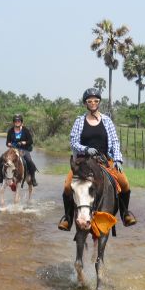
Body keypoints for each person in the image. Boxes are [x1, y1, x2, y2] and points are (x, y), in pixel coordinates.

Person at [58, 88, 136, 230]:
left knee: (124, 183)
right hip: (82, 161)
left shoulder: (107, 121)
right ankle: (68, 218)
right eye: (90, 101)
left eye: (95, 101)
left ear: (99, 102)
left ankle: (125, 213)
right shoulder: (79, 121)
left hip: (104, 160)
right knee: (67, 186)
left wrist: (118, 159)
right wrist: (85, 149)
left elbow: (115, 141)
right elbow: (73, 142)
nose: (93, 103)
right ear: (85, 103)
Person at [0, 114, 38, 186]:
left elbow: (31, 141)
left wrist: (24, 142)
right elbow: (7, 142)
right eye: (16, 121)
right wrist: (9, 144)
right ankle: (0, 177)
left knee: (29, 160)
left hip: (23, 149)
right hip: (13, 150)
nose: (17, 122)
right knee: (1, 158)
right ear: (14, 122)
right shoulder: (10, 131)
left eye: (18, 121)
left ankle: (33, 178)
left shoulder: (25, 130)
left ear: (21, 122)